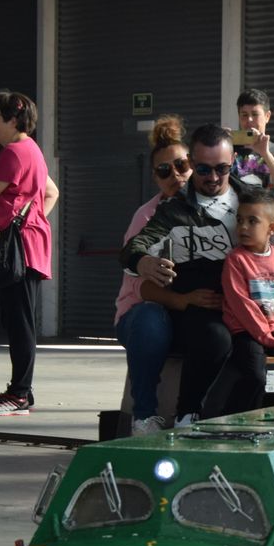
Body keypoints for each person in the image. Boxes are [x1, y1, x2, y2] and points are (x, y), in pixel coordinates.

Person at [123, 123, 274, 426]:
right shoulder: (173, 209)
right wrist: (142, 261)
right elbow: (135, 249)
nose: (213, 178)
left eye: (222, 169)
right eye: (203, 170)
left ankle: (248, 423)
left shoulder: (252, 199)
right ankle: (184, 414)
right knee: (214, 337)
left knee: (266, 361)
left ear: (232, 164)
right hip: (203, 305)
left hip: (253, 306)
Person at [0, 89, 58, 417]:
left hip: (19, 250)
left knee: (20, 322)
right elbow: (52, 191)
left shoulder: (11, 153)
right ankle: (20, 390)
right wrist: (34, 218)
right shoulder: (32, 150)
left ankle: (20, 393)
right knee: (17, 319)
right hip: (30, 245)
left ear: (13, 119)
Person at [116, 115, 194, 435]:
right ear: (155, 177)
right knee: (150, 317)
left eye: (182, 165)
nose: (175, 175)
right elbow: (142, 287)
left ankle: (193, 414)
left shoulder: (220, 211)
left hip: (192, 311)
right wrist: (182, 299)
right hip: (150, 314)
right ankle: (144, 417)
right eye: (164, 171)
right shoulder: (146, 216)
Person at [202, 188, 274, 417]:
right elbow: (241, 304)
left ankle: (267, 420)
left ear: (272, 229)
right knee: (256, 375)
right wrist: (267, 338)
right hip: (247, 332)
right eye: (240, 220)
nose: (243, 227)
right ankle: (233, 418)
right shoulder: (236, 260)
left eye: (252, 221)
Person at [231, 88, 274, 223]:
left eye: (255, 114)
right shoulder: (229, 149)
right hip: (237, 227)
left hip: (272, 231)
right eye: (244, 115)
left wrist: (265, 153)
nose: (249, 120)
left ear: (267, 116)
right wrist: (219, 143)